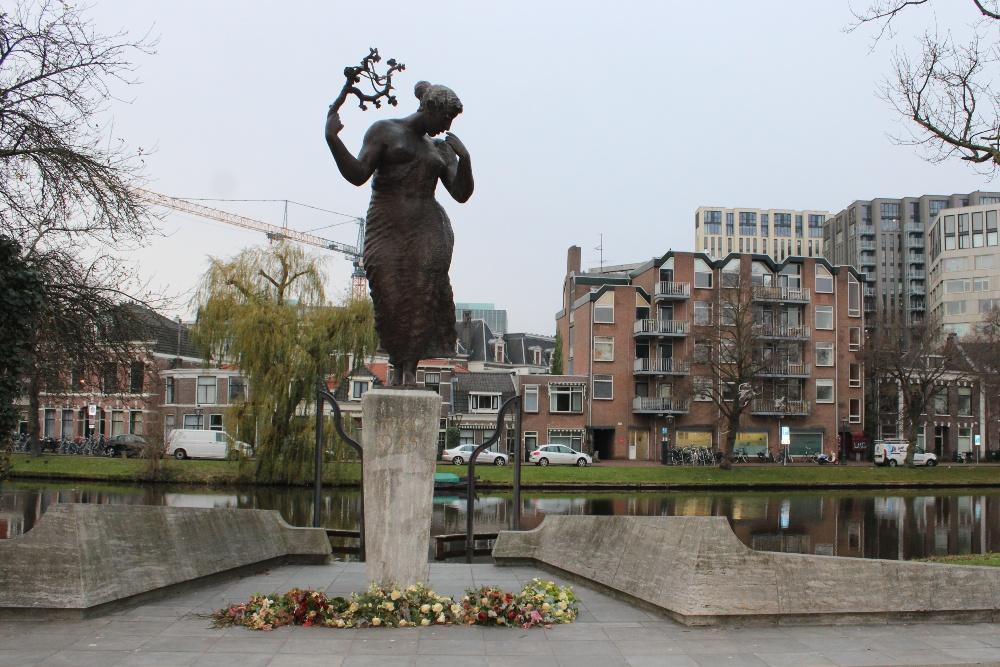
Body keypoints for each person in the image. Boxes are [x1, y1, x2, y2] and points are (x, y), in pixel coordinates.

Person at [325, 81, 474, 385]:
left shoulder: (440, 148)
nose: (447, 125)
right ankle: (396, 363)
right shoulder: (384, 131)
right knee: (387, 290)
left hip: (428, 228)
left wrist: (466, 160)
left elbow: (460, 193)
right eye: (445, 118)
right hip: (387, 222)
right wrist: (332, 139)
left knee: (423, 293)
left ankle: (409, 371)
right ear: (429, 108)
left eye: (451, 121)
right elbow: (357, 174)